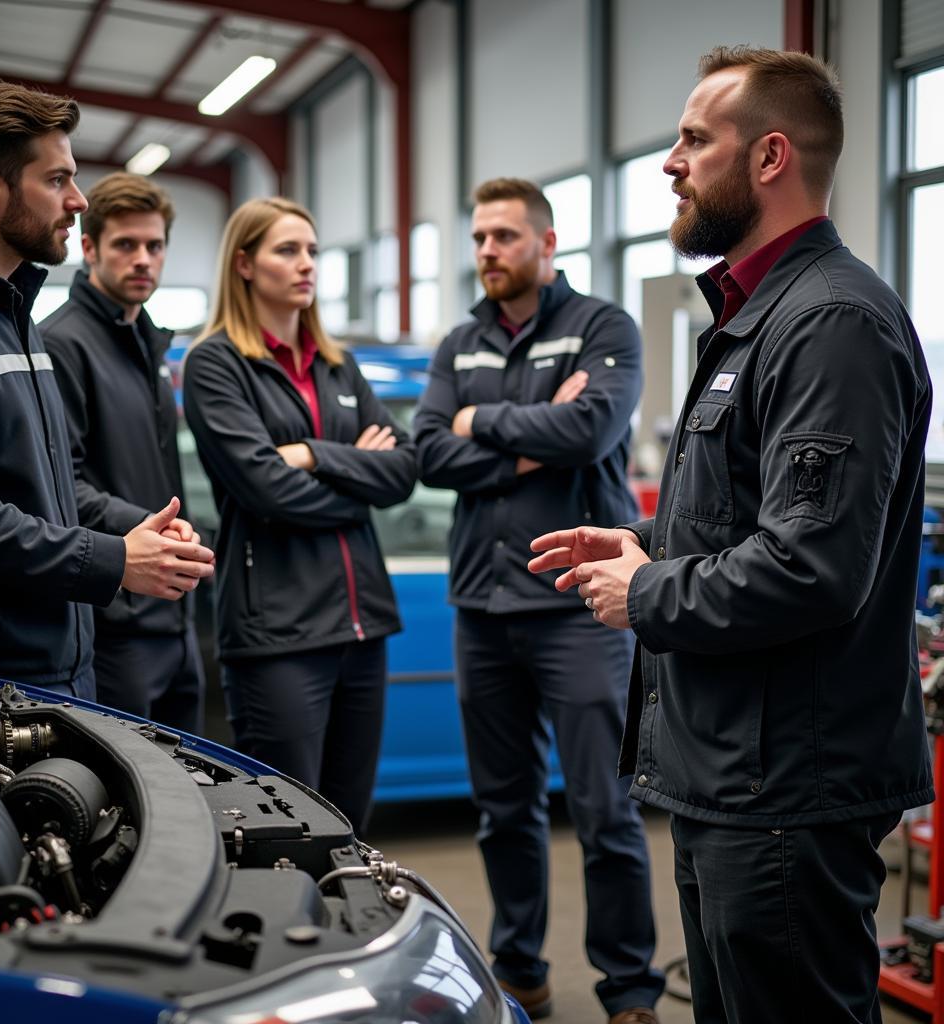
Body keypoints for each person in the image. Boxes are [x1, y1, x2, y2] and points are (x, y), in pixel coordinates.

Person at [529, 46, 933, 1024]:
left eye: (693, 140)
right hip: (734, 773)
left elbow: (811, 565)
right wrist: (643, 544)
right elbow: (756, 514)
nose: (670, 161)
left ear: (769, 159)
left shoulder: (829, 321)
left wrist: (646, 593)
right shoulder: (757, 317)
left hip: (788, 782)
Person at [412, 178, 664, 1023]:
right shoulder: (459, 341)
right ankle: (519, 969)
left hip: (577, 610)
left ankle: (629, 988)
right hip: (482, 611)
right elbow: (427, 456)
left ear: (546, 243)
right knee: (502, 811)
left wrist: (477, 423)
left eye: (504, 237)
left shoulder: (602, 328)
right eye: (479, 237)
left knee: (604, 811)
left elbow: (590, 431)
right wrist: (523, 435)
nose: (487, 251)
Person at [0, 80, 215, 699]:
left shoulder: (13, 313)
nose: (79, 200)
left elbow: (49, 490)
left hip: (57, 662)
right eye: (57, 180)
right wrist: (114, 560)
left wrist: (135, 542)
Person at [183, 197, 416, 834]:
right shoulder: (216, 363)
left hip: (361, 629)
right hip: (277, 637)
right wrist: (354, 479)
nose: (306, 264)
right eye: (288, 250)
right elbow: (265, 491)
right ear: (245, 265)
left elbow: (402, 471)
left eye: (312, 250)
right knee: (289, 830)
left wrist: (312, 454)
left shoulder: (338, 364)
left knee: (349, 828)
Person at [41, 173, 205, 732]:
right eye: (125, 245)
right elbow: (63, 485)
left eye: (154, 246)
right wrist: (150, 526)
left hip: (175, 613)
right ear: (89, 248)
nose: (143, 260)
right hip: (115, 619)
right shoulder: (62, 343)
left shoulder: (150, 343)